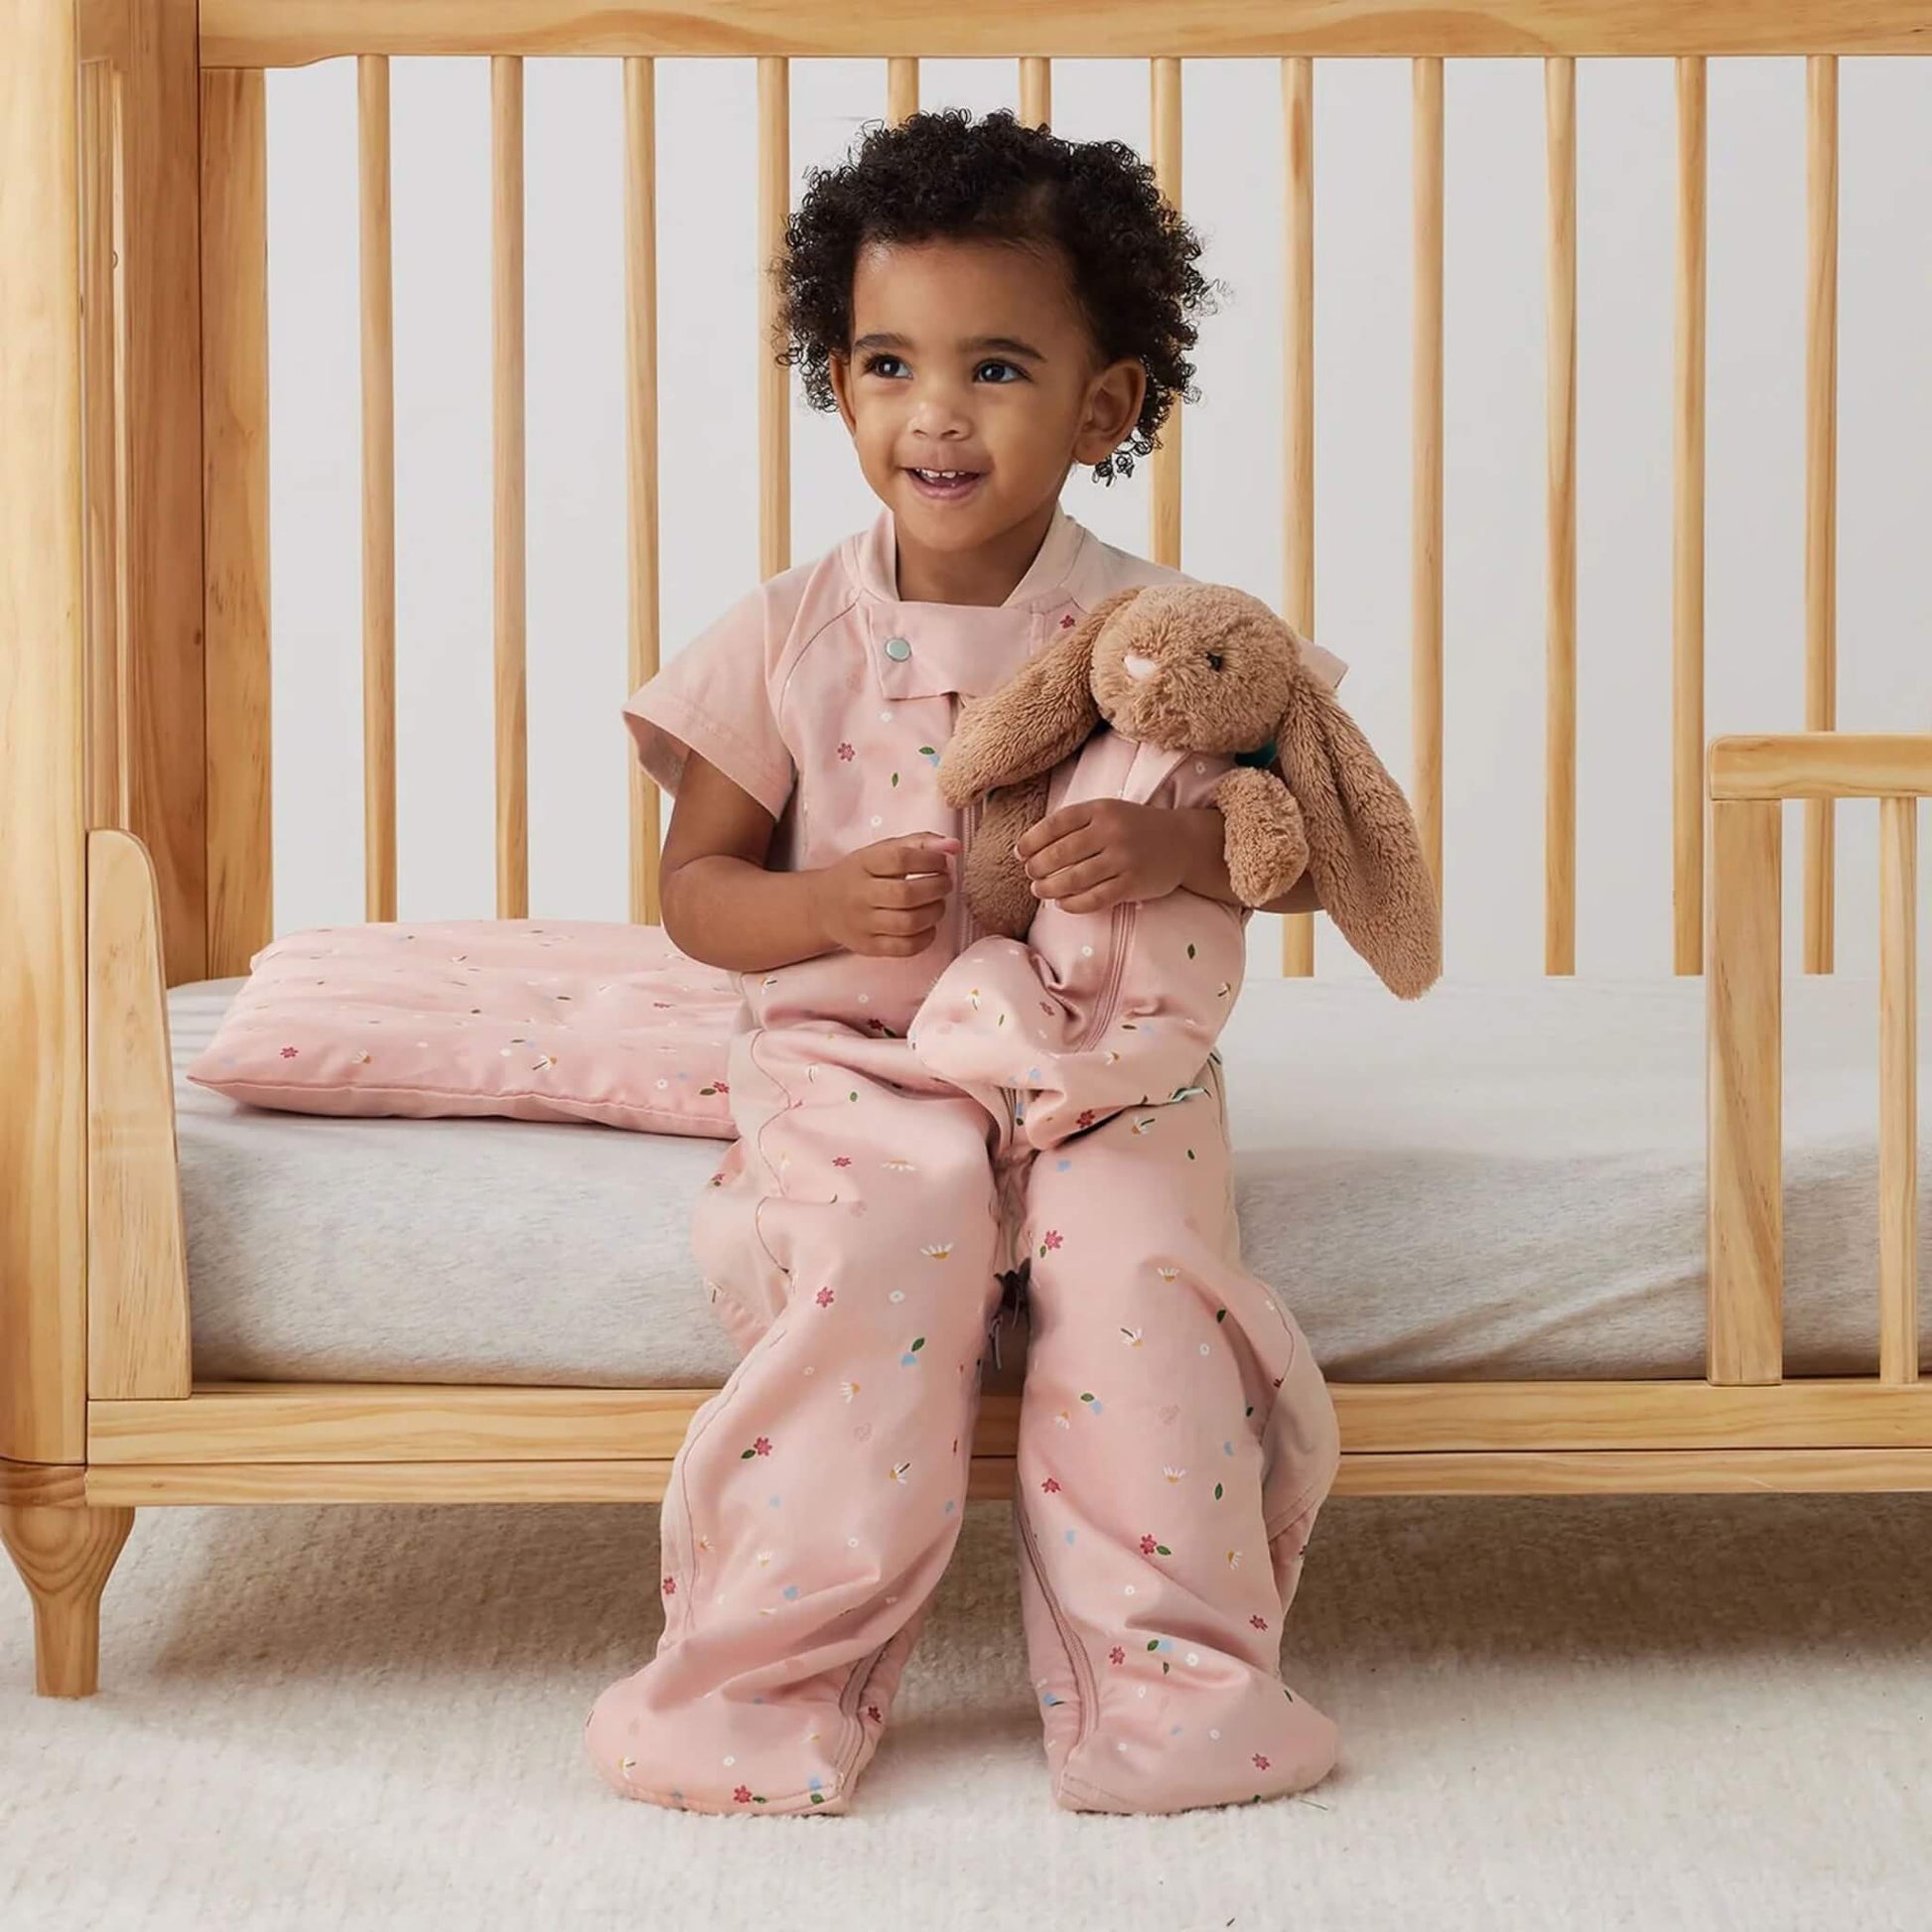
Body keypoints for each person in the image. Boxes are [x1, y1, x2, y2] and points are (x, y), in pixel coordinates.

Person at [586, 106, 1350, 1816]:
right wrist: (823, 907)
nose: (931, 412)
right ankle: (764, 1679)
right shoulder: (787, 633)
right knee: (893, 1217)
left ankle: (1173, 1691)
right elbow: (696, 891)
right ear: (833, 380)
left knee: (1142, 1270)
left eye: (995, 365)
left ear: (1104, 405)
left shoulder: (1163, 639)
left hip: (1094, 1065)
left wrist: (1165, 847)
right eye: (882, 362)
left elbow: (1290, 851)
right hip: (866, 1063)